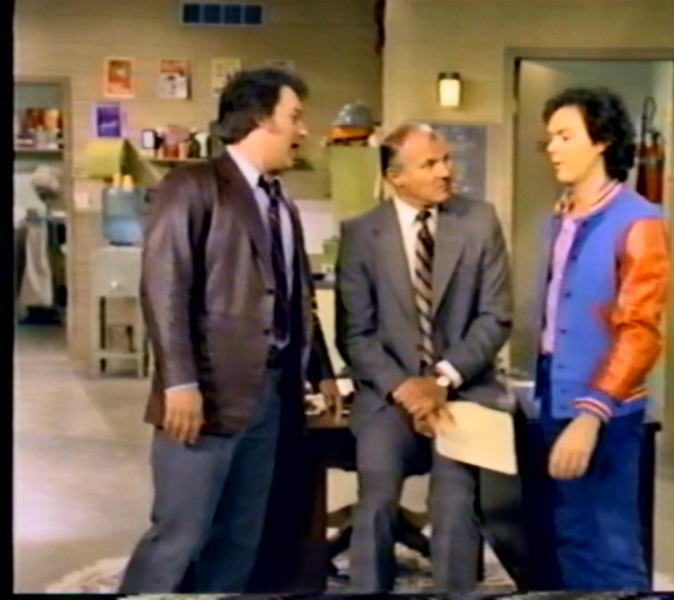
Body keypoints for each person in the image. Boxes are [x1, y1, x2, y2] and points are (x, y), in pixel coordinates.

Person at [119, 68, 338, 594]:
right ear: (261, 118)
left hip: (272, 395)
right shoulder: (192, 185)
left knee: (240, 535)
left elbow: (296, 296)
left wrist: (322, 370)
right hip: (207, 396)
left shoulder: (281, 202)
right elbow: (164, 287)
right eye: (294, 117)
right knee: (180, 533)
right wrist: (179, 382)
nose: (303, 130)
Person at [335, 123, 513, 593]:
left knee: (453, 503)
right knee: (376, 498)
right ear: (395, 177)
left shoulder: (479, 221)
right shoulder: (361, 233)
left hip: (462, 389)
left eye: (446, 160)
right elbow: (355, 335)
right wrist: (406, 389)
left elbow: (496, 317)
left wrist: (441, 380)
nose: (445, 171)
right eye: (430, 164)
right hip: (388, 395)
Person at [528, 87, 670, 590]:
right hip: (554, 394)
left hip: (604, 408)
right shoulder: (563, 215)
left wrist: (591, 415)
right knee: (572, 536)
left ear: (602, 141)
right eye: (550, 137)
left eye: (565, 136)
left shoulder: (639, 221)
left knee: (609, 545)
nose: (552, 148)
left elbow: (641, 333)